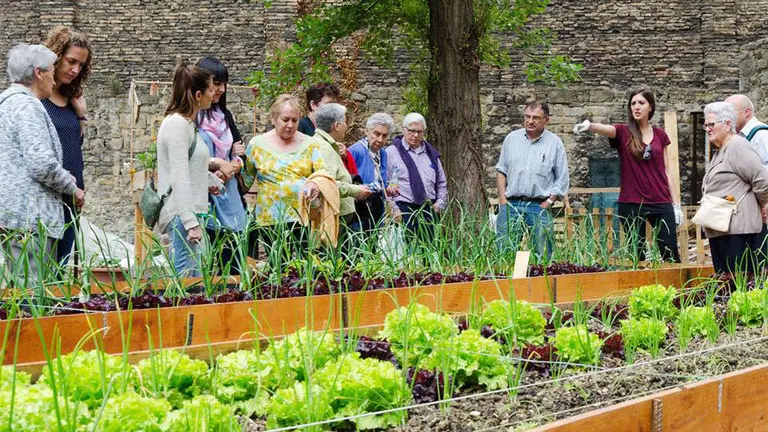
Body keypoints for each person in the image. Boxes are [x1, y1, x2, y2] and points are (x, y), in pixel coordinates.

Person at [0, 43, 85, 286]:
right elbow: (42, 164)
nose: (54, 80)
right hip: (31, 219)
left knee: (22, 290)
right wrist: (72, 187)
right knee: (35, 296)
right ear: (38, 73)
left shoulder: (6, 104)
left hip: (15, 216)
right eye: (50, 71)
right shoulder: (27, 106)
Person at [574, 87, 682, 262]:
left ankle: (673, 288)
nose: (636, 107)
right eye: (633, 103)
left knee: (670, 253)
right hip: (632, 203)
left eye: (641, 103)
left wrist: (676, 204)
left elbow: (667, 171)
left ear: (651, 107)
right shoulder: (624, 132)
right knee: (636, 255)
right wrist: (590, 126)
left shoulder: (661, 135)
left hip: (660, 201)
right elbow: (608, 129)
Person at [156, 64, 231, 277]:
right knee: (186, 281)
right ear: (198, 95)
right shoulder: (178, 125)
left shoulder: (187, 125)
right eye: (210, 89)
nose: (214, 93)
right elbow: (179, 177)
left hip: (189, 213)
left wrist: (210, 182)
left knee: (195, 280)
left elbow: (188, 168)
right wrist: (190, 223)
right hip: (182, 215)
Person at [244, 94, 325, 254]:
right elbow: (246, 181)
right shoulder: (256, 145)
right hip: (270, 220)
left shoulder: (310, 144)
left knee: (302, 268)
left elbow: (322, 174)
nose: (290, 125)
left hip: (302, 218)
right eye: (285, 119)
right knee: (277, 268)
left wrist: (315, 183)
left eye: (295, 120)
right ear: (273, 119)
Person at [41, 26, 92, 269]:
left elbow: (75, 144)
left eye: (81, 65)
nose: (75, 70)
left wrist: (81, 115)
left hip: (72, 199)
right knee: (41, 277)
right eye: (71, 61)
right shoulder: (37, 100)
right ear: (56, 57)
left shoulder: (73, 100)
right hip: (47, 197)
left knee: (61, 273)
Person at [699, 101, 768, 273]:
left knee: (740, 282)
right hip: (722, 228)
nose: (707, 129)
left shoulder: (738, 146)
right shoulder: (722, 150)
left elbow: (762, 179)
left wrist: (764, 205)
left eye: (712, 124)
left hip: (738, 230)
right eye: (705, 125)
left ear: (728, 124)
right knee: (726, 284)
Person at [496, 101, 569, 257]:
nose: (530, 121)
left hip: (539, 206)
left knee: (543, 255)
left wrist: (549, 202)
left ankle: (543, 281)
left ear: (546, 120)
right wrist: (503, 200)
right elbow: (501, 170)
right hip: (511, 205)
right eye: (527, 116)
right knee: (504, 254)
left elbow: (562, 177)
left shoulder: (554, 143)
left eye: (535, 118)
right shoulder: (511, 139)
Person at [196, 57, 247, 276]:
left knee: (233, 262)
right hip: (203, 198)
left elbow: (240, 153)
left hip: (229, 196)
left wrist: (233, 167)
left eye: (223, 84)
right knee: (202, 265)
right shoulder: (191, 117)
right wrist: (217, 167)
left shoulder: (225, 116)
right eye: (216, 83)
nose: (221, 89)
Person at [384, 112, 448, 241]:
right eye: (412, 131)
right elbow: (385, 183)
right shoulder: (391, 153)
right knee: (406, 255)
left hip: (429, 209)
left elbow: (441, 182)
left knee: (429, 253)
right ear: (404, 129)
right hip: (404, 210)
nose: (416, 135)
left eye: (419, 131)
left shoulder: (431, 154)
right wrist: (394, 209)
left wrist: (440, 202)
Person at [312, 103, 371, 229]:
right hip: (333, 218)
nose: (347, 126)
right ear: (337, 126)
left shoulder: (327, 145)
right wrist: (356, 191)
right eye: (345, 121)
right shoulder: (324, 148)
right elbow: (328, 185)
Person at [349, 113, 396, 232]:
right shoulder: (356, 151)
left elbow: (381, 181)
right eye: (376, 134)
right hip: (360, 207)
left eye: (384, 136)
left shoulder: (383, 153)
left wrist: (388, 188)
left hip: (377, 205)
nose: (380, 140)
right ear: (367, 131)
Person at [725, 94, 768, 166]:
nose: (726, 118)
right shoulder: (738, 135)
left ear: (746, 112)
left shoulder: (762, 135)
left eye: (729, 113)